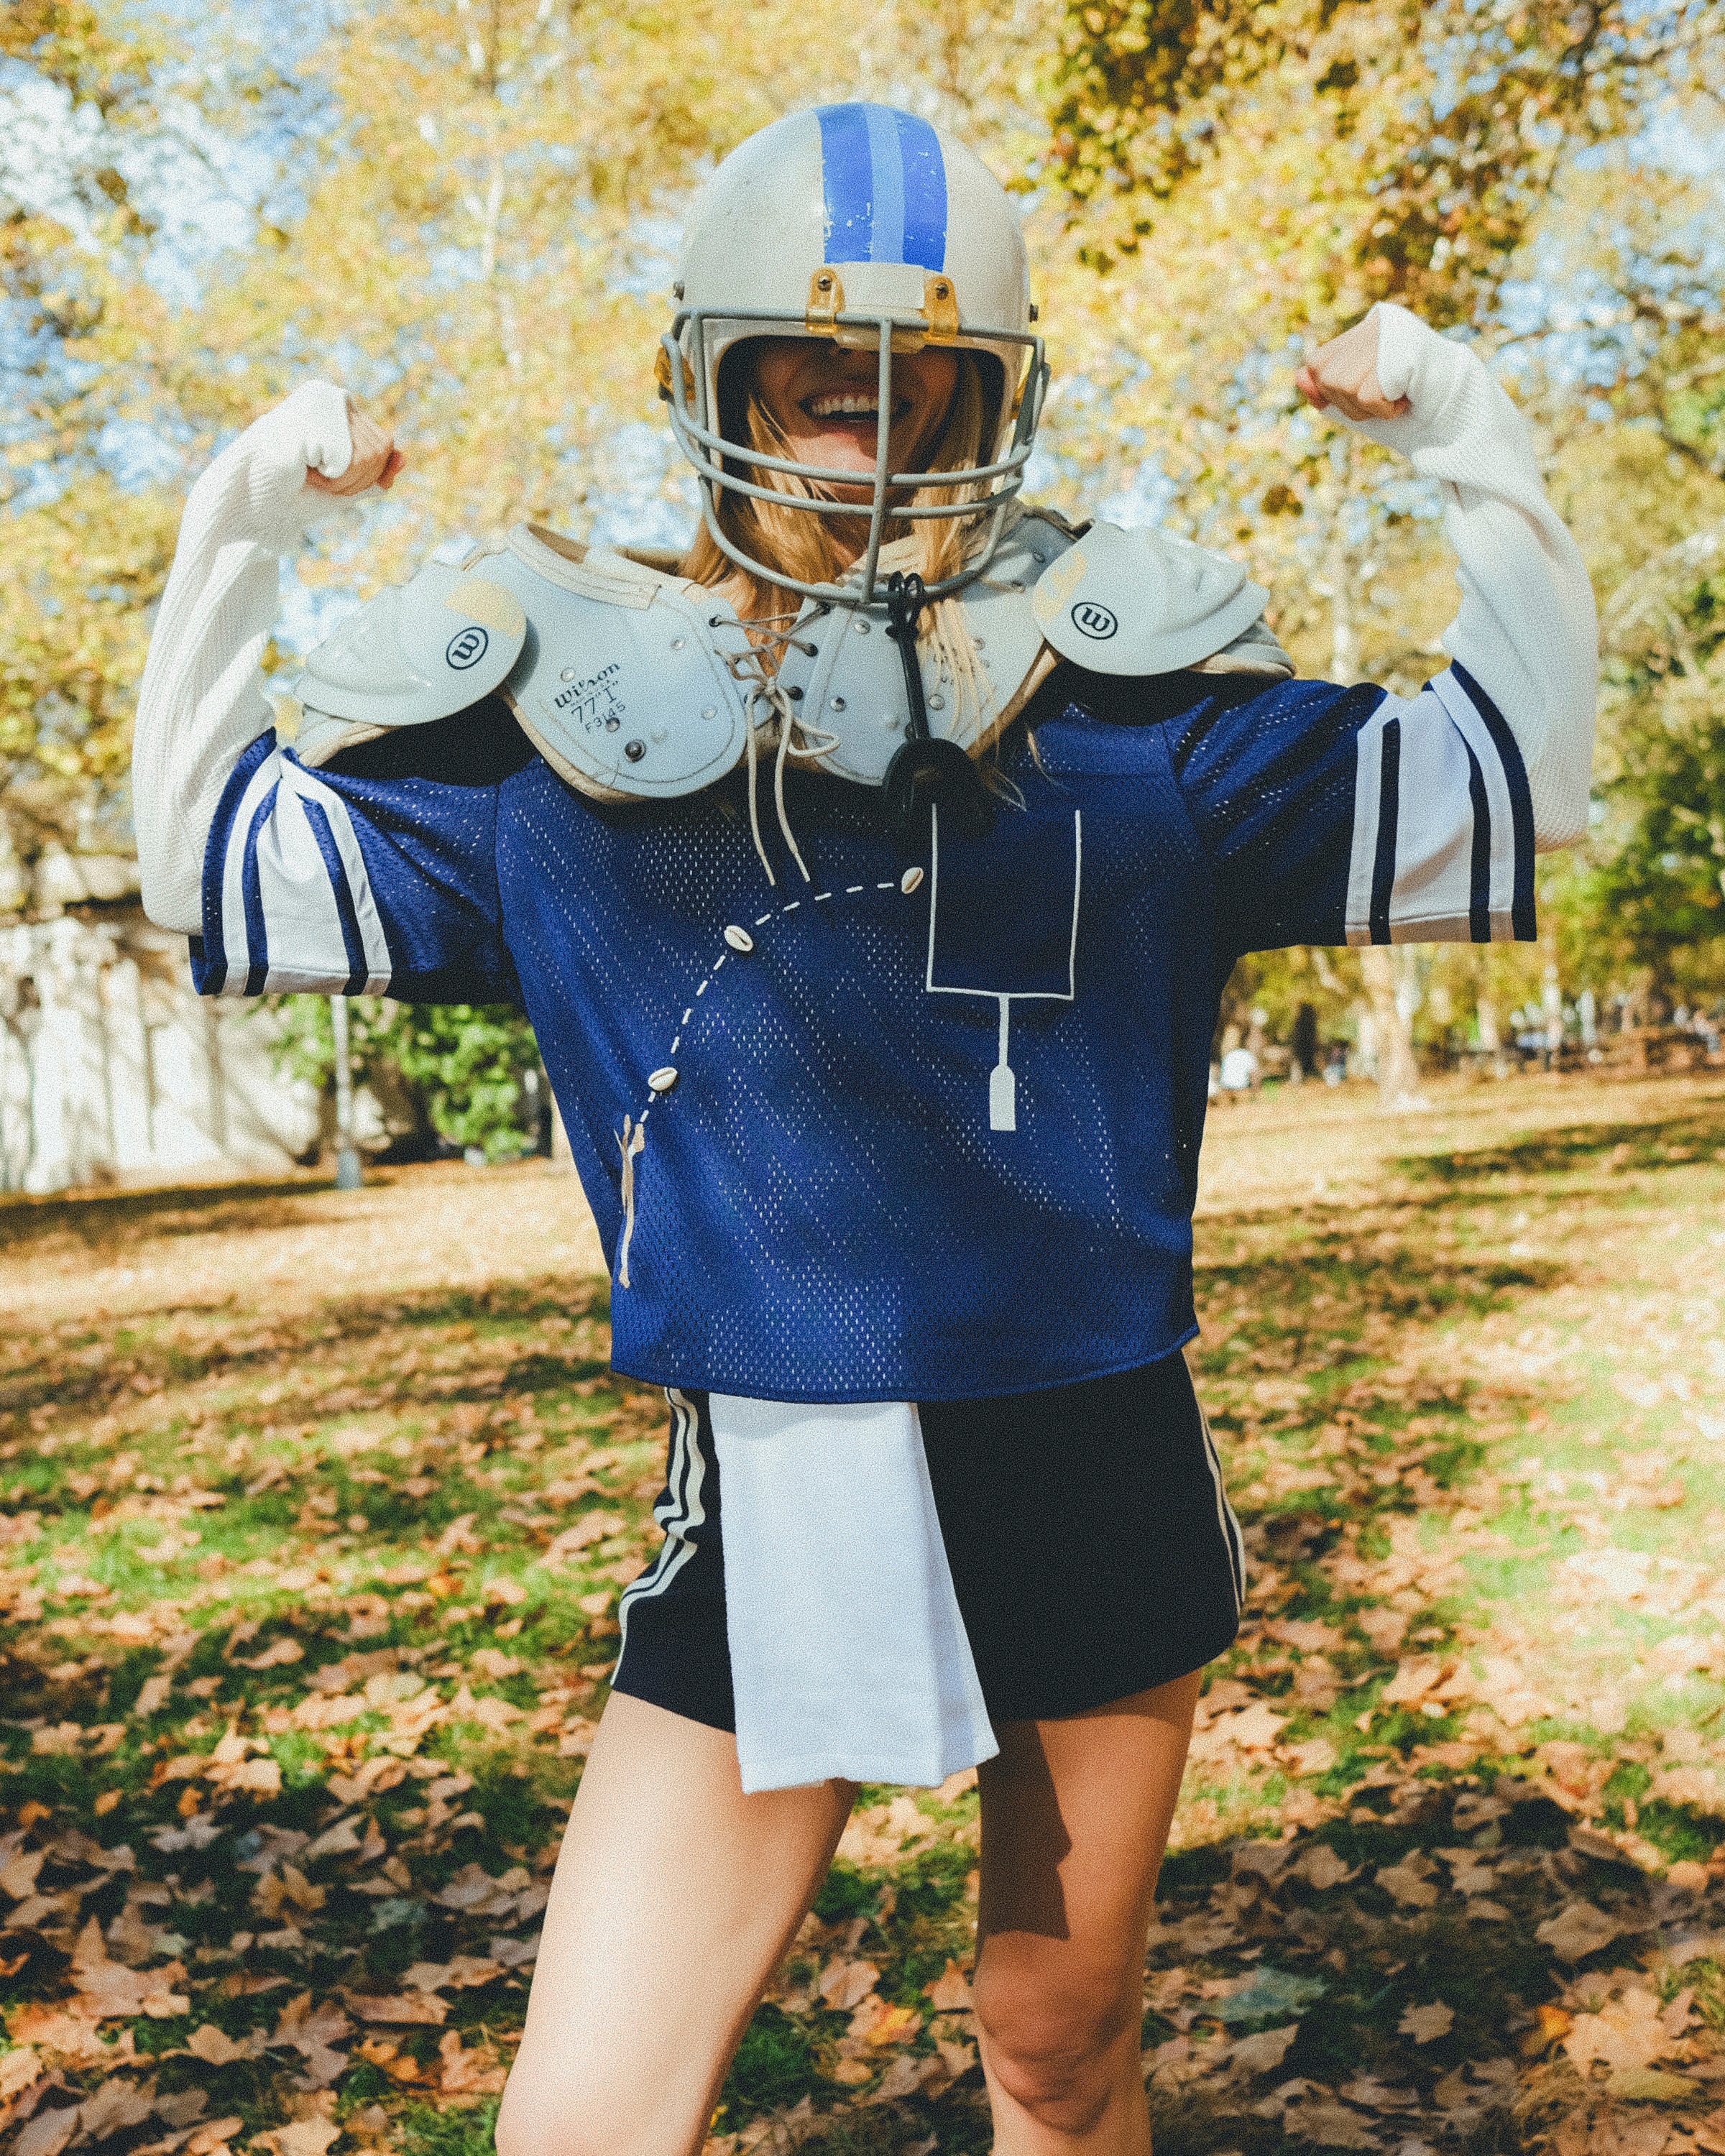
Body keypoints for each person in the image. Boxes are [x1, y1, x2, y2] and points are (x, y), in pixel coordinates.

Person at [133, 101, 1596, 2156]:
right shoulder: (576, 744)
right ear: (708, 383)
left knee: (1056, 2052)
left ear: (1003, 401)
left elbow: (1508, 782)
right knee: (585, 2118)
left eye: (924, 392)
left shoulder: (1136, 714)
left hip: (1089, 1445)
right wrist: (243, 525)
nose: (871, 434)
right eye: (815, 389)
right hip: (781, 1465)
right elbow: (215, 861)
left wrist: (1461, 426)